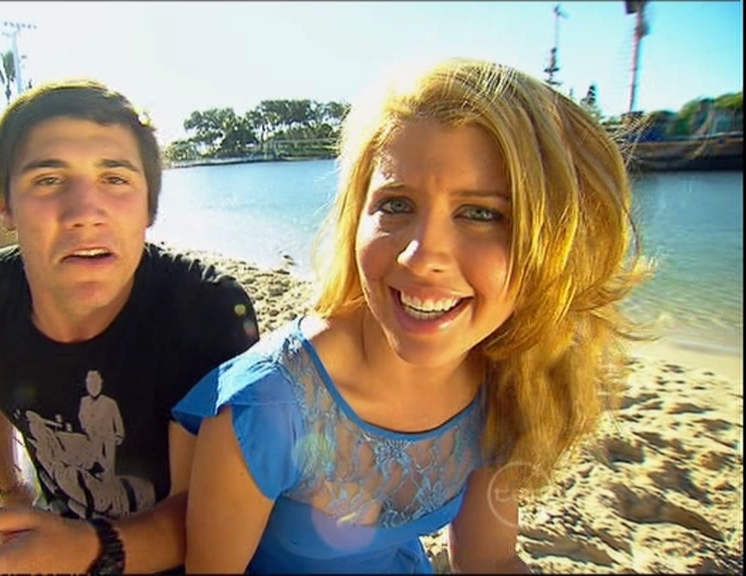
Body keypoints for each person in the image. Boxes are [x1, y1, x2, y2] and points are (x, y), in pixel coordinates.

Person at [172, 58, 650, 573]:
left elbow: (489, 562)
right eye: (396, 204)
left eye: (481, 213)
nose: (420, 257)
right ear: (356, 219)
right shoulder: (268, 408)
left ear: (555, 246)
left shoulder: (503, 379)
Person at [0, 79, 259, 574]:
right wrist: (12, 487)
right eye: (48, 180)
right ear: (5, 207)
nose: (85, 214)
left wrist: (80, 550)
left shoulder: (204, 313)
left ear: (150, 208)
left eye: (115, 179)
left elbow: (203, 518)